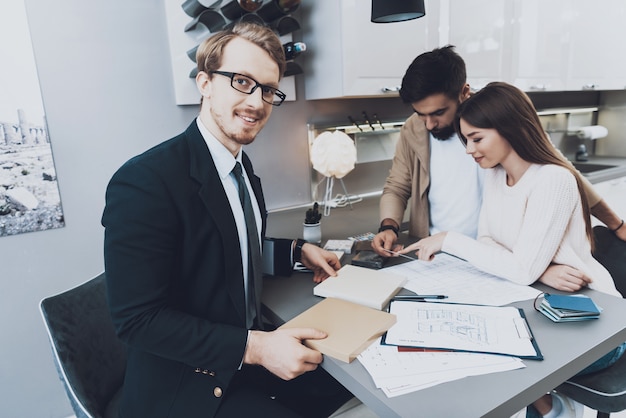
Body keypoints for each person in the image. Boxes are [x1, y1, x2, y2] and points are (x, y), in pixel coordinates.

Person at [101, 22, 352, 418]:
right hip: (188, 385)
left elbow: (222, 250)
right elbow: (138, 320)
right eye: (241, 81)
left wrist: (296, 250)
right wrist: (256, 347)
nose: (257, 102)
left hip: (245, 360)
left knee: (346, 387)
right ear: (205, 83)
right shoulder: (145, 181)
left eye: (268, 90)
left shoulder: (241, 166)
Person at [399, 82, 625, 418]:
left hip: (592, 324)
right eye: (466, 140)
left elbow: (519, 268)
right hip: (541, 300)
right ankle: (553, 408)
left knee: (495, 353)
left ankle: (555, 410)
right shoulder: (495, 174)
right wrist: (542, 269)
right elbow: (491, 243)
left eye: (476, 138)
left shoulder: (553, 180)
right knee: (472, 342)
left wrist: (451, 240)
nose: (469, 150)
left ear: (509, 129)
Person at [371, 45, 626, 292]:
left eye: (438, 112)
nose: (428, 124)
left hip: (500, 262)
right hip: (453, 258)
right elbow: (397, 185)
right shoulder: (414, 130)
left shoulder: (502, 118)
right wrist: (389, 226)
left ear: (464, 92)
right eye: (420, 114)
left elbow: (563, 171)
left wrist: (615, 224)